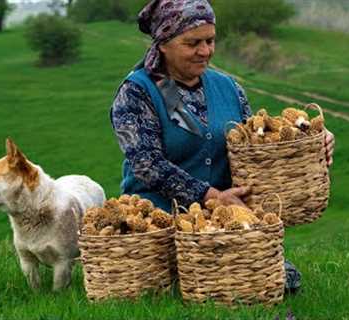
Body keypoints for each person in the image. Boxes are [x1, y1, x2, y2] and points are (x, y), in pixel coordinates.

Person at [110, 0, 334, 293]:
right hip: (160, 224)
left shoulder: (228, 87)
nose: (205, 51)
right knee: (182, 284)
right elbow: (147, 165)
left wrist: (310, 143)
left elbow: (254, 146)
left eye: (210, 40)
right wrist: (212, 196)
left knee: (281, 282)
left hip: (222, 223)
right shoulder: (137, 92)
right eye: (192, 43)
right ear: (163, 43)